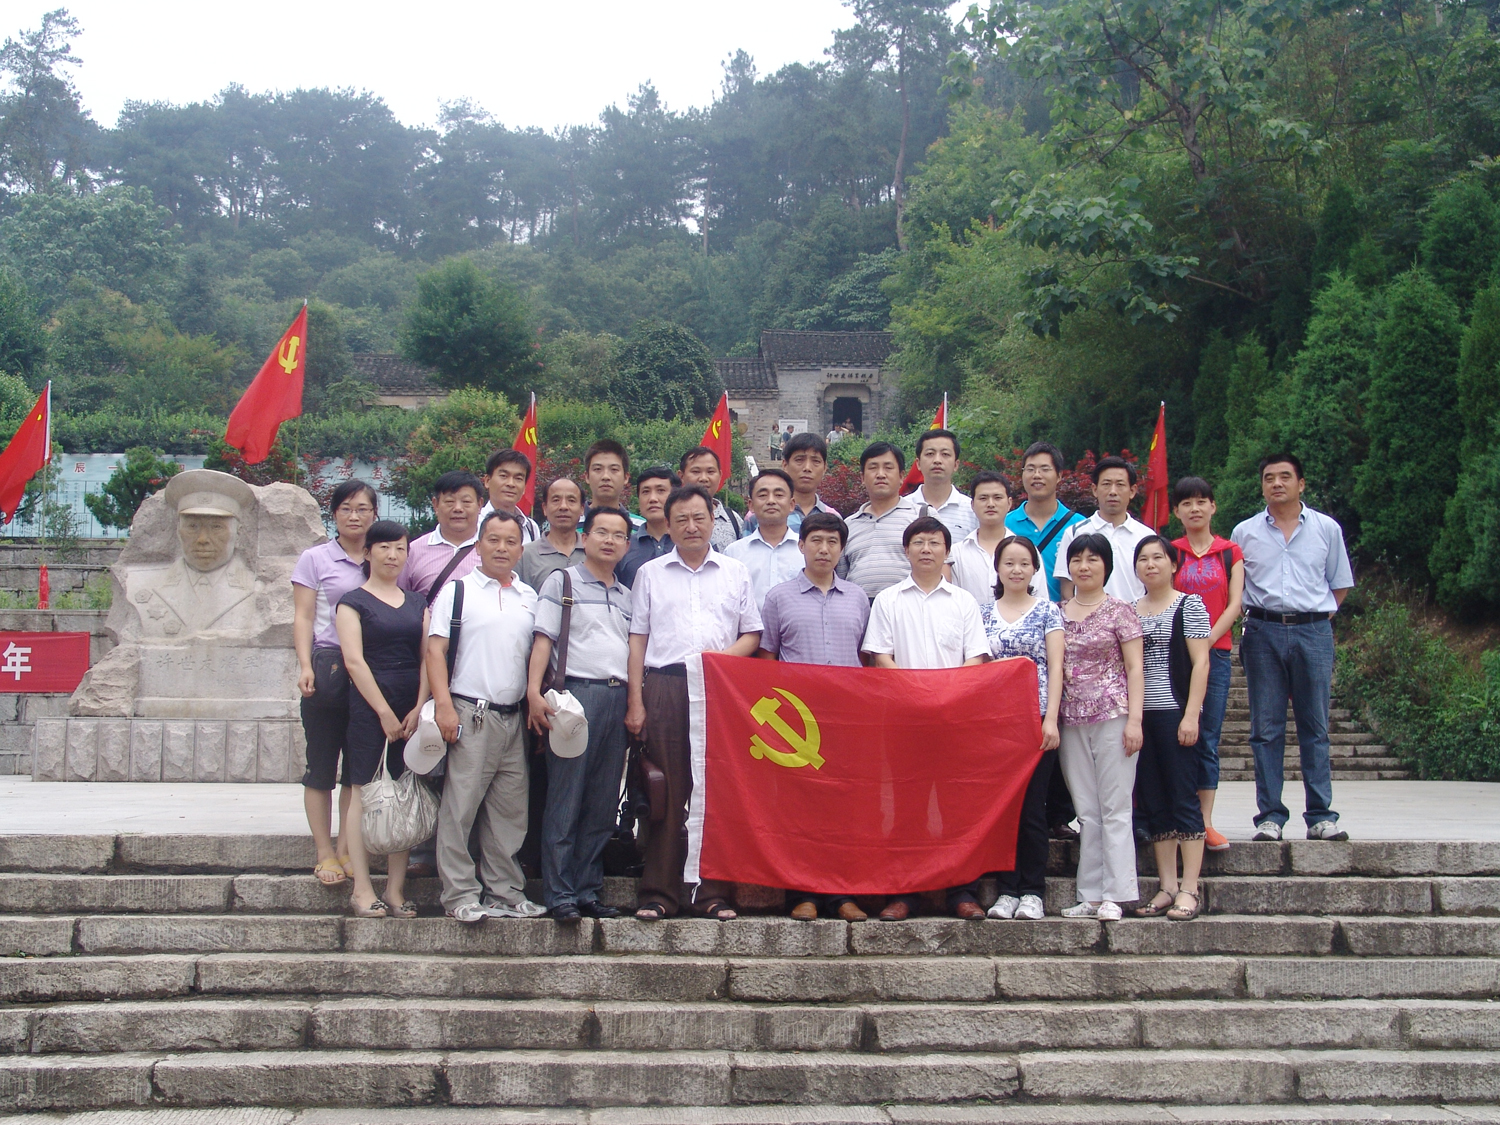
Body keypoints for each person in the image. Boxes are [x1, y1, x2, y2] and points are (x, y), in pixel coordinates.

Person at [626, 485, 762, 920]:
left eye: (699, 517)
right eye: (681, 519)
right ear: (668, 525)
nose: (691, 526)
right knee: (666, 790)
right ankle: (659, 893)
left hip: (719, 688)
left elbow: (751, 633)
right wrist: (636, 700)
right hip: (665, 686)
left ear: (712, 520)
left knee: (715, 790)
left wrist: (716, 662)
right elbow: (638, 639)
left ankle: (712, 894)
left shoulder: (735, 571)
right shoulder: (650, 573)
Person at [862, 516, 989, 920]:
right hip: (904, 720)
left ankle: (962, 892)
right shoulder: (888, 600)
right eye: (918, 542)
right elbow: (880, 656)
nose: (926, 549)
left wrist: (944, 697)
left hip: (954, 719)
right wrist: (918, 696)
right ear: (906, 551)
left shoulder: (964, 602)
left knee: (957, 808)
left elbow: (976, 658)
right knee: (906, 809)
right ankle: (905, 892)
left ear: (947, 551)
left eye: (935, 543)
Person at [425, 511, 546, 923]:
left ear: (520, 549)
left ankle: (505, 893)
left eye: (511, 541)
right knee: (460, 809)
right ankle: (459, 894)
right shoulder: (458, 591)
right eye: (493, 540)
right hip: (469, 713)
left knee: (509, 812)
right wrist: (443, 705)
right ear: (478, 546)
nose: (501, 548)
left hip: (514, 718)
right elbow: (435, 651)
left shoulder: (528, 597)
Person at [1231, 454, 1354, 842]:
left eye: (1285, 477)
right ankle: (1270, 816)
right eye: (1269, 478)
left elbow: (1339, 584)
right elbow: (1237, 588)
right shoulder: (1244, 533)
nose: (1277, 484)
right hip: (1262, 631)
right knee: (1265, 729)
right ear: (1262, 486)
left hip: (1313, 631)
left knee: (1315, 726)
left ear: (1301, 484)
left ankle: (1320, 816)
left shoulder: (1326, 529)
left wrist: (1313, 619)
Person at [757, 511, 871, 923]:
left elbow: (865, 658)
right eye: (816, 541)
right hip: (797, 722)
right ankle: (802, 893)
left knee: (845, 807)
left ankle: (842, 894)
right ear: (801, 545)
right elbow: (766, 659)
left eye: (832, 542)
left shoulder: (858, 598)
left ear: (842, 549)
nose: (824, 549)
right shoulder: (779, 597)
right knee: (799, 807)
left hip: (847, 719)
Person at [527, 507, 633, 922]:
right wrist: (534, 693)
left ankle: (588, 889)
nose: (609, 540)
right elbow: (543, 640)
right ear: (585, 538)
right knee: (566, 799)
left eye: (618, 535)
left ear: (627, 544)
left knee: (602, 802)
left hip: (617, 697)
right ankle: (560, 894)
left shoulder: (627, 595)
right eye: (601, 532)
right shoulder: (563, 581)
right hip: (574, 697)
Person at [334, 520, 428, 920]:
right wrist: (384, 712)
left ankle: (395, 888)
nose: (393, 555)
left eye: (400, 548)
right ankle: (361, 888)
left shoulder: (418, 602)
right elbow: (354, 661)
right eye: (385, 547)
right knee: (364, 792)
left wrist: (419, 706)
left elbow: (428, 657)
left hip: (410, 708)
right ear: (368, 552)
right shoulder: (352, 602)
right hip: (370, 707)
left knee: (404, 793)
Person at [292, 479, 377, 888]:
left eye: (362, 509)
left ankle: (346, 847)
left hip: (372, 671)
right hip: (329, 667)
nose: (354, 516)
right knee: (322, 765)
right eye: (346, 508)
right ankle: (324, 851)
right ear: (334, 514)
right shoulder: (315, 558)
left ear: (374, 514)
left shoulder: (383, 555)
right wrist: (304, 664)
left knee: (357, 770)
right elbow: (304, 616)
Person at [1057, 533, 1144, 921]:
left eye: (1093, 559)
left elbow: (1135, 667)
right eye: (1077, 559)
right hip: (1070, 720)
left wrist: (1135, 720)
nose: (1084, 566)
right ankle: (1090, 894)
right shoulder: (1057, 612)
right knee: (1087, 810)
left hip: (1113, 715)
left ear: (1106, 566)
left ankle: (1117, 893)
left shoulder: (1120, 611)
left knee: (1115, 806)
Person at [982, 536, 1064, 921]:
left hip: (1036, 718)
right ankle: (1006, 890)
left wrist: (1051, 719)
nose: (1016, 570)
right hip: (995, 723)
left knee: (1032, 808)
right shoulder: (983, 613)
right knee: (1003, 809)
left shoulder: (1047, 611)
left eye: (1024, 563)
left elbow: (1056, 666)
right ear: (997, 568)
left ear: (1034, 569)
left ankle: (1032, 890)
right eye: (1009, 563)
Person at [1130, 536, 1211, 922]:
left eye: (1158, 557)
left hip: (1175, 712)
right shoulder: (1130, 610)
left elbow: (1201, 663)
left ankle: (1190, 888)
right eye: (1143, 559)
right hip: (1140, 717)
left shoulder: (1188, 605)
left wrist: (1191, 715)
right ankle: (1166, 886)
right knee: (1154, 801)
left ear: (1174, 564)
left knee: (1183, 798)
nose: (1150, 565)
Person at [1171, 476, 1243, 852]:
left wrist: (1207, 640)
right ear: (1176, 512)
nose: (1195, 508)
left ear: (1213, 506)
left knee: (1207, 737)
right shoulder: (1172, 552)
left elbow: (1235, 604)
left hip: (1215, 652)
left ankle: (1205, 821)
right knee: (1173, 733)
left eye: (1201, 501)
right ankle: (1176, 814)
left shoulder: (1230, 552)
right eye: (1187, 503)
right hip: (1175, 655)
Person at [1056, 456, 1154, 603]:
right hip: (1088, 616)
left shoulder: (1146, 536)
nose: (1113, 492)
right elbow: (1067, 587)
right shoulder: (1075, 533)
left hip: (1135, 615)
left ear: (1132, 491)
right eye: (1106, 484)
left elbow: (1154, 584)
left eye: (1120, 484)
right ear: (1095, 490)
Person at [1005, 442, 1086, 603]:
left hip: (1064, 613)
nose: (1037, 475)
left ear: (1059, 475)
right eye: (1030, 469)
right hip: (1016, 612)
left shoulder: (1079, 526)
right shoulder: (1005, 523)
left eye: (1045, 469)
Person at [838, 442, 920, 600]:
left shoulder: (921, 516)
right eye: (873, 467)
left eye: (888, 468)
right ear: (862, 478)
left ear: (901, 476)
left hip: (909, 606)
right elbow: (841, 579)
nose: (881, 474)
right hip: (860, 608)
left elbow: (941, 569)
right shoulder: (848, 525)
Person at [950, 471, 1042, 611]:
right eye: (983, 498)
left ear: (1009, 503)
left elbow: (1040, 600)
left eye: (997, 497)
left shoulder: (1027, 551)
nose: (990, 504)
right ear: (972, 505)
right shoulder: (957, 553)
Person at [398, 471, 484, 601]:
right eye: (450, 501)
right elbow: (398, 600)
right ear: (436, 504)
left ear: (480, 504)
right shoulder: (413, 551)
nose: (458, 508)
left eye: (466, 501)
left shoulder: (492, 550)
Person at [724, 469, 804, 608]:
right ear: (751, 505)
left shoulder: (807, 551)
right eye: (763, 495)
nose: (771, 501)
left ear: (791, 504)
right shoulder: (734, 553)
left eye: (779, 495)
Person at [517, 477, 586, 591]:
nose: (563, 506)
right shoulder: (524, 556)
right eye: (556, 500)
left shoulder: (593, 552)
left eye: (571, 500)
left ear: (582, 509)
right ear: (545, 508)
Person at [912, 428, 978, 545]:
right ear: (918, 463)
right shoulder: (903, 508)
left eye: (945, 454)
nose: (937, 460)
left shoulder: (973, 511)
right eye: (930, 454)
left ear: (956, 464)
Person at [618, 468, 678, 588]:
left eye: (660, 491)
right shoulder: (623, 546)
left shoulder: (690, 543)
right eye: (645, 492)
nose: (653, 499)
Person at [679, 446, 743, 550]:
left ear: (720, 475)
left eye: (710, 472)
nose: (704, 478)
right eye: (696, 472)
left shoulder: (734, 520)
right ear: (681, 476)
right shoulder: (670, 517)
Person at [480, 449, 541, 543]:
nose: (511, 484)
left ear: (525, 487)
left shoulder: (531, 528)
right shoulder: (472, 524)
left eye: (518, 478)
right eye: (504, 476)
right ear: (487, 481)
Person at [783, 432, 839, 532]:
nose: (807, 468)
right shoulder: (764, 516)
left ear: (825, 468)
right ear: (785, 465)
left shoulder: (833, 518)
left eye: (816, 461)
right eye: (799, 460)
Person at [583, 440, 644, 530]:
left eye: (614, 469)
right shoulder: (570, 525)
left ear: (626, 477)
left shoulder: (641, 528)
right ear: (587, 476)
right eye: (598, 469)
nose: (605, 476)